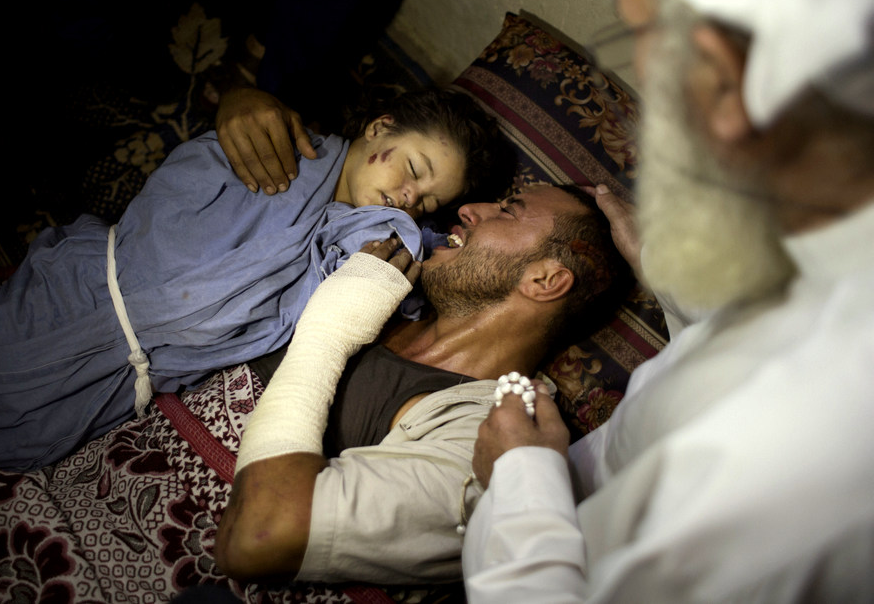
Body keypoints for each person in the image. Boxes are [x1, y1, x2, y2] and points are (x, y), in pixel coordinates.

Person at [462, 0, 874, 601]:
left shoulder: (808, 447)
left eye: (638, 32)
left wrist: (519, 481)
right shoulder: (822, 250)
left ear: (722, 75)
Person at [0, 86, 508, 480]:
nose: (408, 194)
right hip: (88, 297)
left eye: (425, 199)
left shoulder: (352, 245)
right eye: (414, 168)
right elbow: (179, 196)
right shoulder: (284, 152)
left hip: (130, 372)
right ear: (378, 129)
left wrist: (402, 230)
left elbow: (375, 277)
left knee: (8, 438)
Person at [211, 184, 631, 584]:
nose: (469, 209)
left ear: (544, 281)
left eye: (507, 210)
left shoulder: (495, 443)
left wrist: (327, 331)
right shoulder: (366, 283)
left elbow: (258, 538)